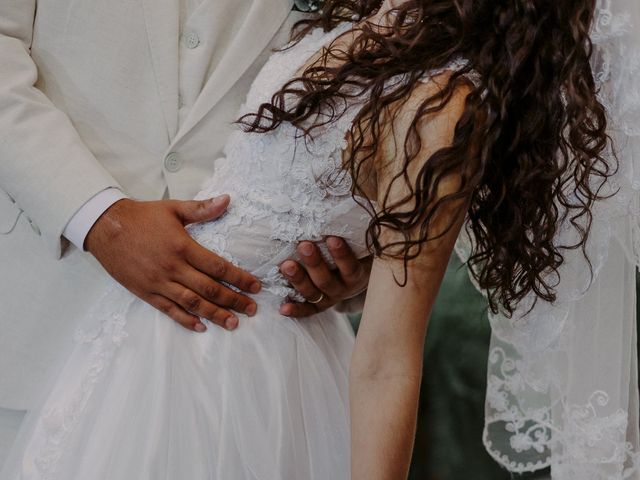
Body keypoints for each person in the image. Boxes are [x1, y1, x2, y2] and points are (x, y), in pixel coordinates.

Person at [1, 1, 636, 480]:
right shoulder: (378, 20)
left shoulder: (444, 107)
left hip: (241, 356)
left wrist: (362, 261)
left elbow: (389, 355)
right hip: (84, 329)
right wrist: (97, 216)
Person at [0, 0, 371, 467]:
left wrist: (359, 265)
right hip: (39, 320)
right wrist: (94, 214)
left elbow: (394, 81)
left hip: (247, 365)